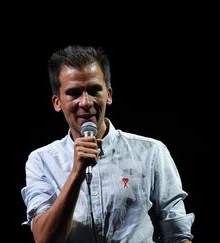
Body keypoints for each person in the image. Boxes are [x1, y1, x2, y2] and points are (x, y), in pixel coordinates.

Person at [20, 45, 194, 242]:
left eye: (94, 90)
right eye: (74, 93)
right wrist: (77, 173)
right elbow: (44, 238)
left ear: (109, 95)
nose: (85, 102)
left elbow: (178, 235)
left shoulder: (152, 152)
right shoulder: (41, 160)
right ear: (57, 102)